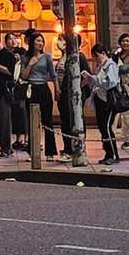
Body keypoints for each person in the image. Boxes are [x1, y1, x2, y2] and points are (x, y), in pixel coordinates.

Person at [24, 34, 59, 160]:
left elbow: (53, 75)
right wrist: (30, 64)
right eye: (38, 40)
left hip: (44, 87)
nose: (40, 43)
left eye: (42, 41)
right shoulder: (26, 57)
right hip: (31, 88)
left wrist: (57, 90)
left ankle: (50, 152)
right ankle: (32, 151)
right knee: (32, 121)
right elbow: (23, 76)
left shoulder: (47, 57)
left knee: (47, 120)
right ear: (32, 42)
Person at [88, 44, 122, 165]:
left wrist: (96, 80)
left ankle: (113, 154)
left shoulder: (110, 65)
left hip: (108, 100)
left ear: (103, 53)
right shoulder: (101, 66)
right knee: (103, 127)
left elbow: (111, 82)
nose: (96, 58)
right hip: (100, 99)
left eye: (96, 55)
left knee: (107, 127)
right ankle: (108, 153)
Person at [57, 33, 87, 165]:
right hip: (63, 93)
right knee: (65, 120)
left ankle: (74, 148)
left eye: (62, 40)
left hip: (75, 95)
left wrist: (77, 88)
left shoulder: (79, 57)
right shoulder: (63, 56)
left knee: (74, 119)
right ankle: (67, 148)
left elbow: (86, 76)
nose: (60, 42)